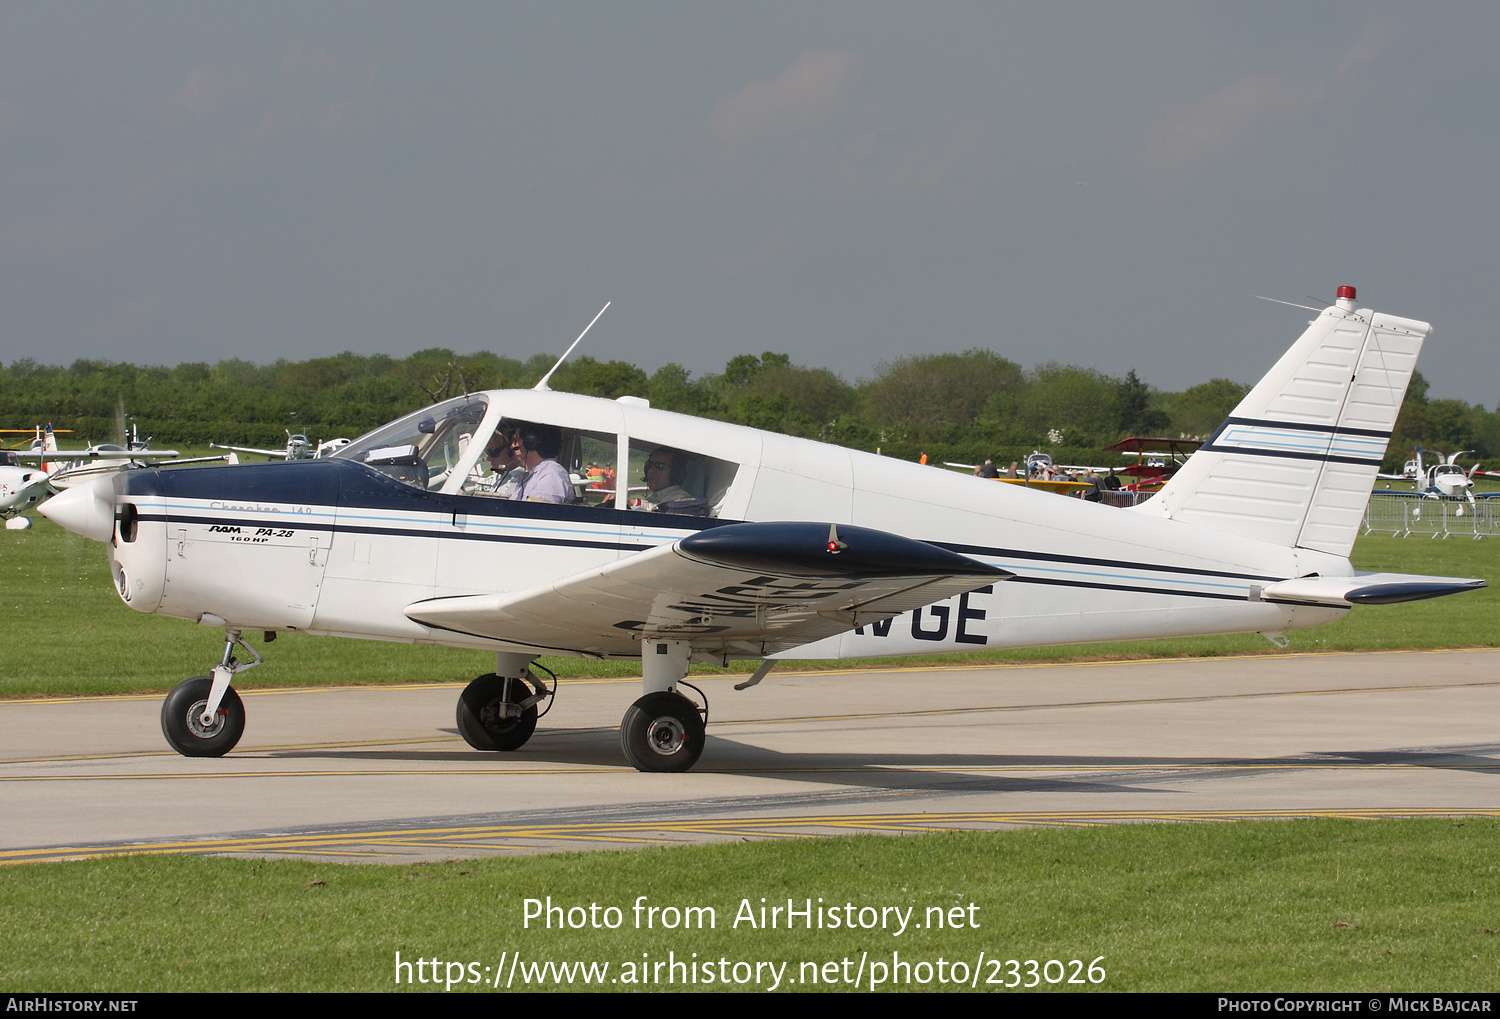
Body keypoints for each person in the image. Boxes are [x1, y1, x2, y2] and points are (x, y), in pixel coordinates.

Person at [509, 424, 574, 504]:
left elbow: (536, 513)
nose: (512, 446)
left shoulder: (550, 475)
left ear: (530, 443)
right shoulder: (532, 476)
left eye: (516, 440)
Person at [637, 448, 701, 513]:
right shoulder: (655, 497)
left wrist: (636, 503)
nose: (651, 470)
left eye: (660, 466)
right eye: (650, 465)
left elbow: (660, 512)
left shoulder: (680, 499)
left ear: (675, 472)